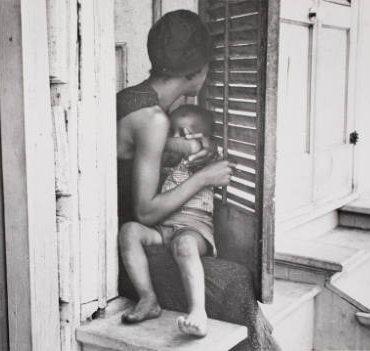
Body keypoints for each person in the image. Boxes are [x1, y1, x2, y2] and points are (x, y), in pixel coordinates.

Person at [116, 9, 281, 351]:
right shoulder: (154, 120)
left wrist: (189, 145)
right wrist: (206, 175)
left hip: (140, 236)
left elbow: (143, 149)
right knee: (234, 281)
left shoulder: (132, 99)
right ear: (197, 71)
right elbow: (145, 212)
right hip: (132, 250)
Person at [119, 104, 223, 337]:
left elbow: (214, 149)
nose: (176, 139)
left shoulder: (205, 156)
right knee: (129, 231)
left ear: (203, 137)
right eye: (171, 132)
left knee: (184, 246)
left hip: (194, 228)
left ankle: (198, 311)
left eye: (183, 133)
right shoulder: (167, 158)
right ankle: (148, 298)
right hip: (162, 228)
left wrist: (200, 143)